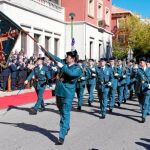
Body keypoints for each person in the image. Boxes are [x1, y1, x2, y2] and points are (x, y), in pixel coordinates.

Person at [45, 49, 82, 144]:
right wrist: (43, 49)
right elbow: (54, 58)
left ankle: (61, 136)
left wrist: (63, 67)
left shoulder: (77, 68)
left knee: (65, 113)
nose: (66, 58)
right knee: (61, 111)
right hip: (59, 92)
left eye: (68, 57)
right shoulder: (63, 63)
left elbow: (71, 74)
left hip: (68, 94)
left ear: (73, 58)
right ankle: (66, 126)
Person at [137, 57, 150, 123]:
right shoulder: (138, 70)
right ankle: (143, 112)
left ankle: (143, 116)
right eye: (140, 62)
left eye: (141, 62)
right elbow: (135, 78)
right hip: (139, 89)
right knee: (141, 103)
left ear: (145, 63)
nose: (140, 63)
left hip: (147, 89)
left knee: (145, 102)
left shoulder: (149, 70)